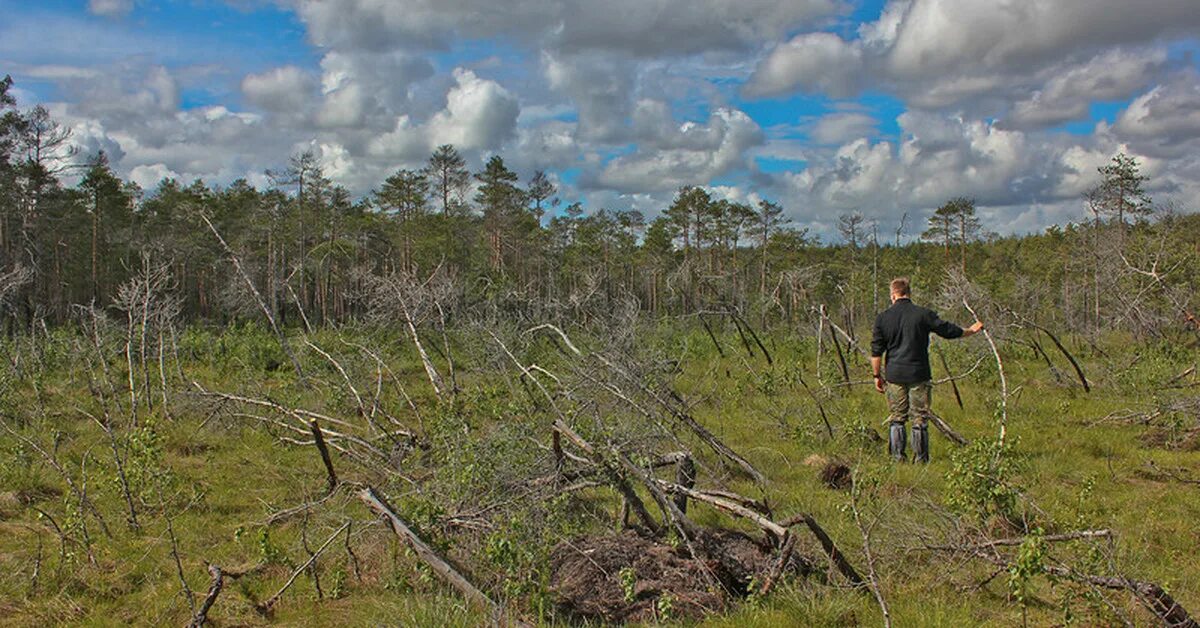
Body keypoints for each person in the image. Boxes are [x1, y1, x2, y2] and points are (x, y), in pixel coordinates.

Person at [870, 278, 983, 462]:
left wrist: (876, 376)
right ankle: (921, 459)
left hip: (895, 375)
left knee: (897, 418)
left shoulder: (883, 318)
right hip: (919, 373)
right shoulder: (923, 314)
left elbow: (876, 351)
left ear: (893, 295)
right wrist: (970, 330)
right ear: (909, 293)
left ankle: (898, 458)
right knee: (920, 418)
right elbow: (947, 330)